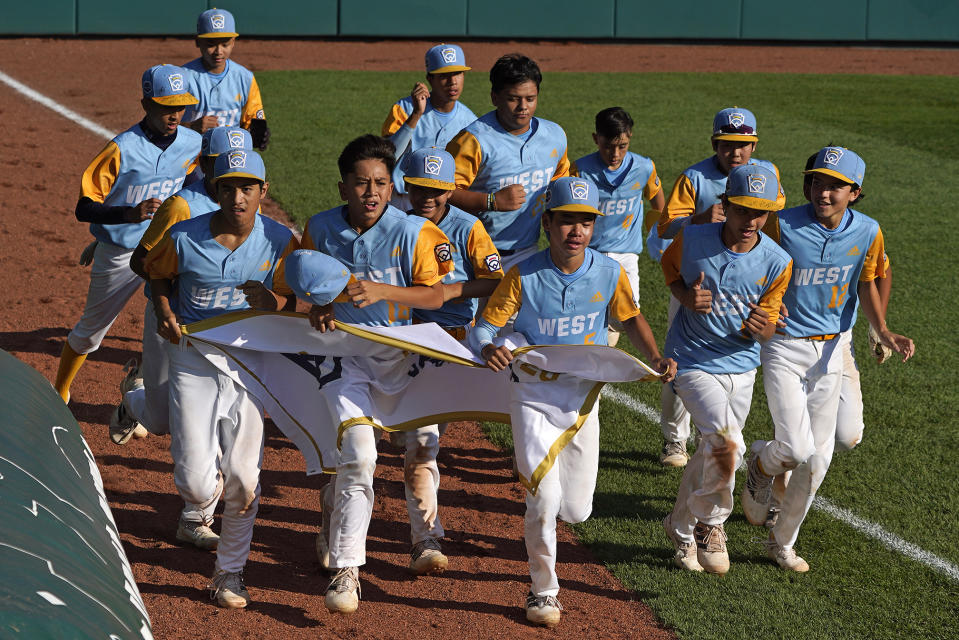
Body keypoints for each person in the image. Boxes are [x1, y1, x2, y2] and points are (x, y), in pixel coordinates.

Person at [469, 177, 675, 627]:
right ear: (548, 224)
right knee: (542, 498)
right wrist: (489, 347)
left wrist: (655, 356)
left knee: (576, 509)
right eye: (567, 221)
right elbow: (484, 327)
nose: (576, 230)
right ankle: (544, 591)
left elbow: (630, 316)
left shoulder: (608, 271)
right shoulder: (522, 274)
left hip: (582, 396)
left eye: (585, 221)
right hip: (533, 393)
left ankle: (547, 549)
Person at [297, 134, 454, 614]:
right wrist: (319, 309)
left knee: (422, 452)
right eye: (361, 183)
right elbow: (308, 287)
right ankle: (348, 571)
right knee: (360, 457)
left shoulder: (415, 232)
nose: (371, 193)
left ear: (393, 187)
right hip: (345, 362)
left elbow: (437, 297)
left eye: (381, 183)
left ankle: (424, 536)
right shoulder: (319, 228)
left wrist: (384, 291)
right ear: (342, 186)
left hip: (406, 361)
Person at [740, 147, 914, 572]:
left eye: (836, 185)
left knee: (818, 461)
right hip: (784, 346)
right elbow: (750, 262)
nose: (824, 192)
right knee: (798, 448)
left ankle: (782, 542)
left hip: (834, 348)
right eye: (818, 182)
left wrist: (883, 329)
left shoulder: (868, 231)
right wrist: (758, 305)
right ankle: (761, 466)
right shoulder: (784, 223)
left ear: (854, 192)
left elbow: (869, 282)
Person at [145, 148, 298, 608]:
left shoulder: (280, 241)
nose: (238, 196)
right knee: (195, 485)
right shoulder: (184, 236)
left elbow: (297, 300)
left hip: (252, 361)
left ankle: (229, 573)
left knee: (244, 480)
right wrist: (165, 310)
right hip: (193, 357)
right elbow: (157, 278)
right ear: (215, 189)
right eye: (228, 186)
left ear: (263, 191)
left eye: (247, 187)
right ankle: (194, 502)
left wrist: (276, 304)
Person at [660, 165, 792, 574]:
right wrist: (686, 296)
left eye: (761, 213)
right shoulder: (694, 237)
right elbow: (669, 270)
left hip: (741, 366)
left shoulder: (777, 260)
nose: (751, 221)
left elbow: (770, 324)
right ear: (726, 205)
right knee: (726, 444)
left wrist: (764, 328)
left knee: (712, 451)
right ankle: (712, 525)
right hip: (693, 359)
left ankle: (680, 529)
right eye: (743, 210)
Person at [54, 65, 201, 408]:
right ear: (146, 104)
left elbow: (194, 187)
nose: (174, 114)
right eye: (166, 106)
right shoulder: (122, 148)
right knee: (92, 330)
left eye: (180, 106)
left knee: (179, 321)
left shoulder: (193, 143)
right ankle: (60, 390)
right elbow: (84, 207)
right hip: (120, 251)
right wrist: (126, 216)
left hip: (166, 248)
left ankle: (146, 385)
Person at [654, 107, 786, 469]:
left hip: (747, 279)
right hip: (695, 282)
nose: (735, 153)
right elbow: (665, 227)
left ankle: (709, 438)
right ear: (715, 144)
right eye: (727, 145)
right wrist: (698, 219)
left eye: (743, 145)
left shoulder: (768, 174)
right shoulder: (694, 177)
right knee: (679, 361)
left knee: (733, 349)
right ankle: (673, 440)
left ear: (754, 144)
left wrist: (774, 286)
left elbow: (773, 227)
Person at [393, 147, 504, 574]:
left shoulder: (468, 227)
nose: (428, 197)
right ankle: (426, 537)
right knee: (421, 443)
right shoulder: (396, 226)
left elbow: (494, 280)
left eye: (437, 190)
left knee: (426, 436)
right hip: (401, 340)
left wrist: (448, 293)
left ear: (450, 190)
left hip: (452, 343)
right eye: (420, 188)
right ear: (408, 186)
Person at [114, 126, 255, 452]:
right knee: (160, 420)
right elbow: (140, 261)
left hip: (223, 318)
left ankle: (218, 484)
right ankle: (134, 393)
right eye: (223, 163)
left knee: (227, 408)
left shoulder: (248, 203)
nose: (233, 173)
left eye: (242, 163)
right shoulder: (182, 207)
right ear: (205, 164)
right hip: (173, 317)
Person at [446, 53, 570, 273]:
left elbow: (561, 185)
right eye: (513, 98)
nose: (523, 106)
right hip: (470, 252)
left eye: (530, 99)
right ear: (495, 97)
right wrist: (492, 201)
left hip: (526, 252)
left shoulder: (555, 136)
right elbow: (442, 192)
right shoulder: (472, 140)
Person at [570, 106, 665, 346]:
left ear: (630, 137)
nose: (615, 153)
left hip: (626, 255)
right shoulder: (580, 171)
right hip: (590, 254)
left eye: (622, 146)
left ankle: (601, 355)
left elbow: (658, 202)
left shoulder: (644, 168)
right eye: (608, 146)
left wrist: (660, 235)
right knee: (585, 314)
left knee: (627, 315)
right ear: (596, 139)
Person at [382, 44, 477, 211]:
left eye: (457, 73)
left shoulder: (471, 122)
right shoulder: (404, 109)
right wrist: (416, 114)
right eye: (444, 76)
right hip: (402, 200)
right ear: (430, 78)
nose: (452, 82)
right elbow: (386, 158)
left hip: (442, 203)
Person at [182, 8, 270, 150]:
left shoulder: (245, 78)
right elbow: (161, 125)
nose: (218, 51)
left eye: (225, 44)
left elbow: (252, 122)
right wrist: (191, 126)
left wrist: (257, 133)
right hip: (192, 158)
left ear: (233, 42)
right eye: (211, 44)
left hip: (230, 158)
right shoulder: (183, 77)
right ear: (198, 42)